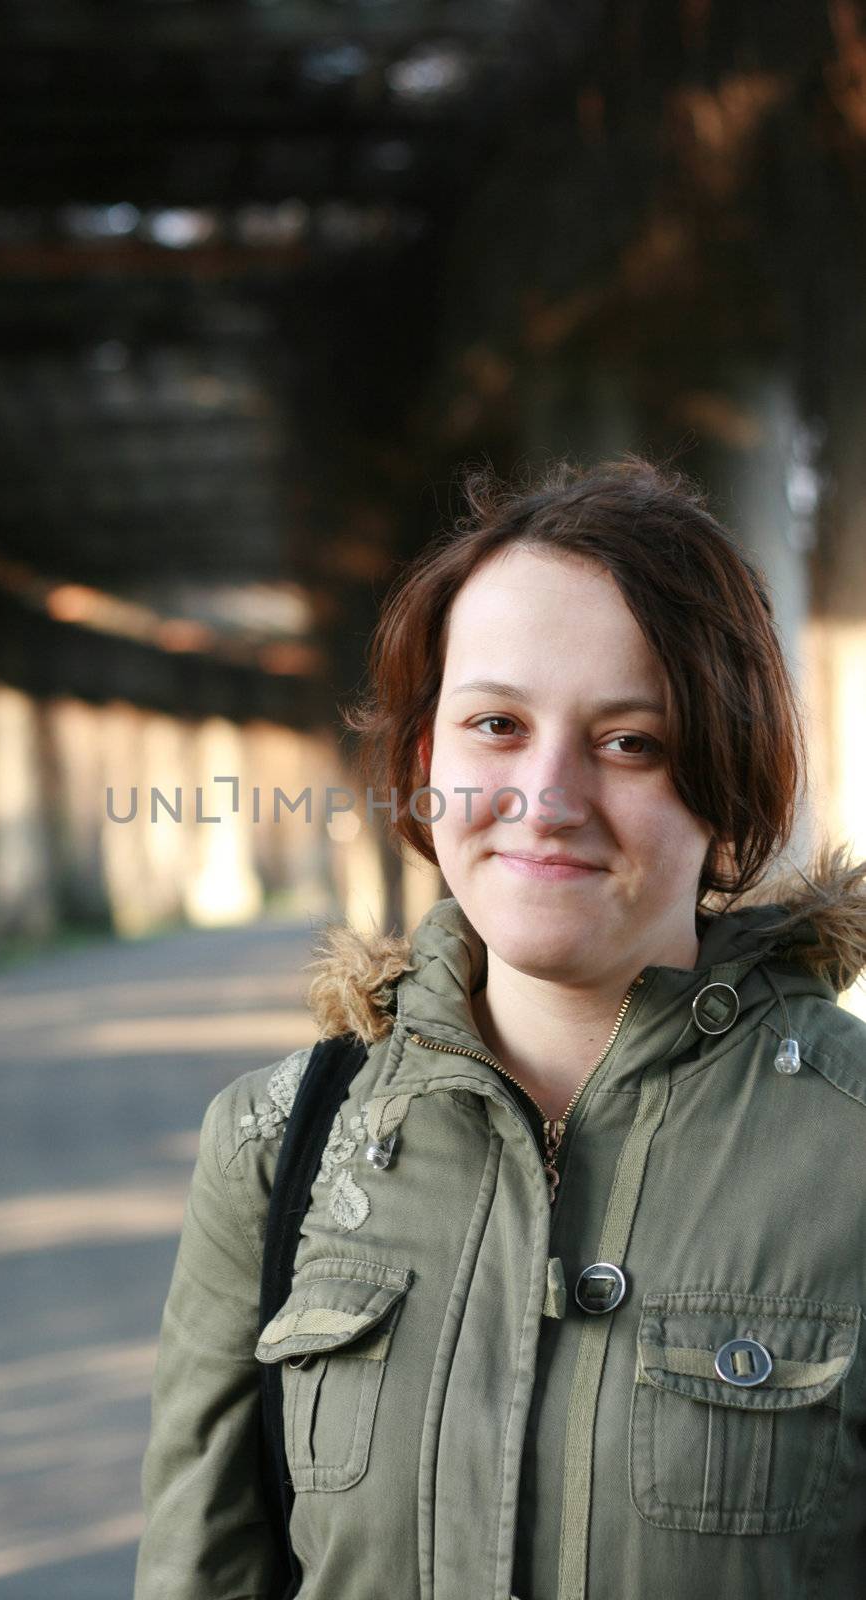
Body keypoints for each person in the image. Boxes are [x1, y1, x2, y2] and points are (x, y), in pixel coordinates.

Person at [133, 454, 866, 1600]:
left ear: (725, 788)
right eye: (494, 725)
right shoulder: (277, 1149)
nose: (546, 796)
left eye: (630, 741)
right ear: (424, 765)